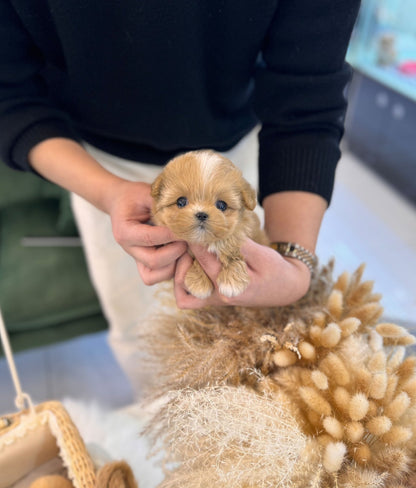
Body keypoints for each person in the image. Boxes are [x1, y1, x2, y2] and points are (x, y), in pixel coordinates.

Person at [0, 0, 360, 392]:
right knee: (142, 337)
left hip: (238, 143)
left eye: (220, 206)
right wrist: (107, 191)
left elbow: (307, 101)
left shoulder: (241, 192)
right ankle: (161, 423)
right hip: (101, 162)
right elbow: (9, 96)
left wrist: (294, 262)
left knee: (253, 342)